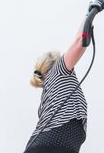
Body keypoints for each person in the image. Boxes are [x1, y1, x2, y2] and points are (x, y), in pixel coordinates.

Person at [24, 19, 89, 153]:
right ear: (56, 61)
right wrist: (90, 14)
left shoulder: (49, 91)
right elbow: (79, 42)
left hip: (44, 147)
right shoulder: (59, 70)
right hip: (50, 147)